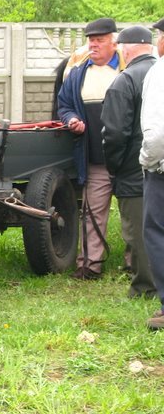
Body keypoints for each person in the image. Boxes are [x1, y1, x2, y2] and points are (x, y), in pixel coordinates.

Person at [57, 18, 120, 280]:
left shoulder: (127, 71)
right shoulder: (78, 74)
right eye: (91, 40)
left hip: (128, 161)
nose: (94, 45)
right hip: (95, 159)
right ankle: (89, 265)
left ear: (113, 42)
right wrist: (71, 118)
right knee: (92, 213)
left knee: (133, 216)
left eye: (100, 40)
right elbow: (64, 104)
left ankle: (137, 265)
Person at [101, 25, 157, 299]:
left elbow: (114, 133)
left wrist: (114, 167)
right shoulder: (159, 74)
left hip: (136, 170)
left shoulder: (125, 81)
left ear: (125, 48)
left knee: (140, 232)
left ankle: (145, 287)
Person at [140, 17, 164, 330]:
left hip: (162, 170)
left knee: (157, 232)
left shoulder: (160, 72)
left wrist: (147, 159)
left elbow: (158, 133)